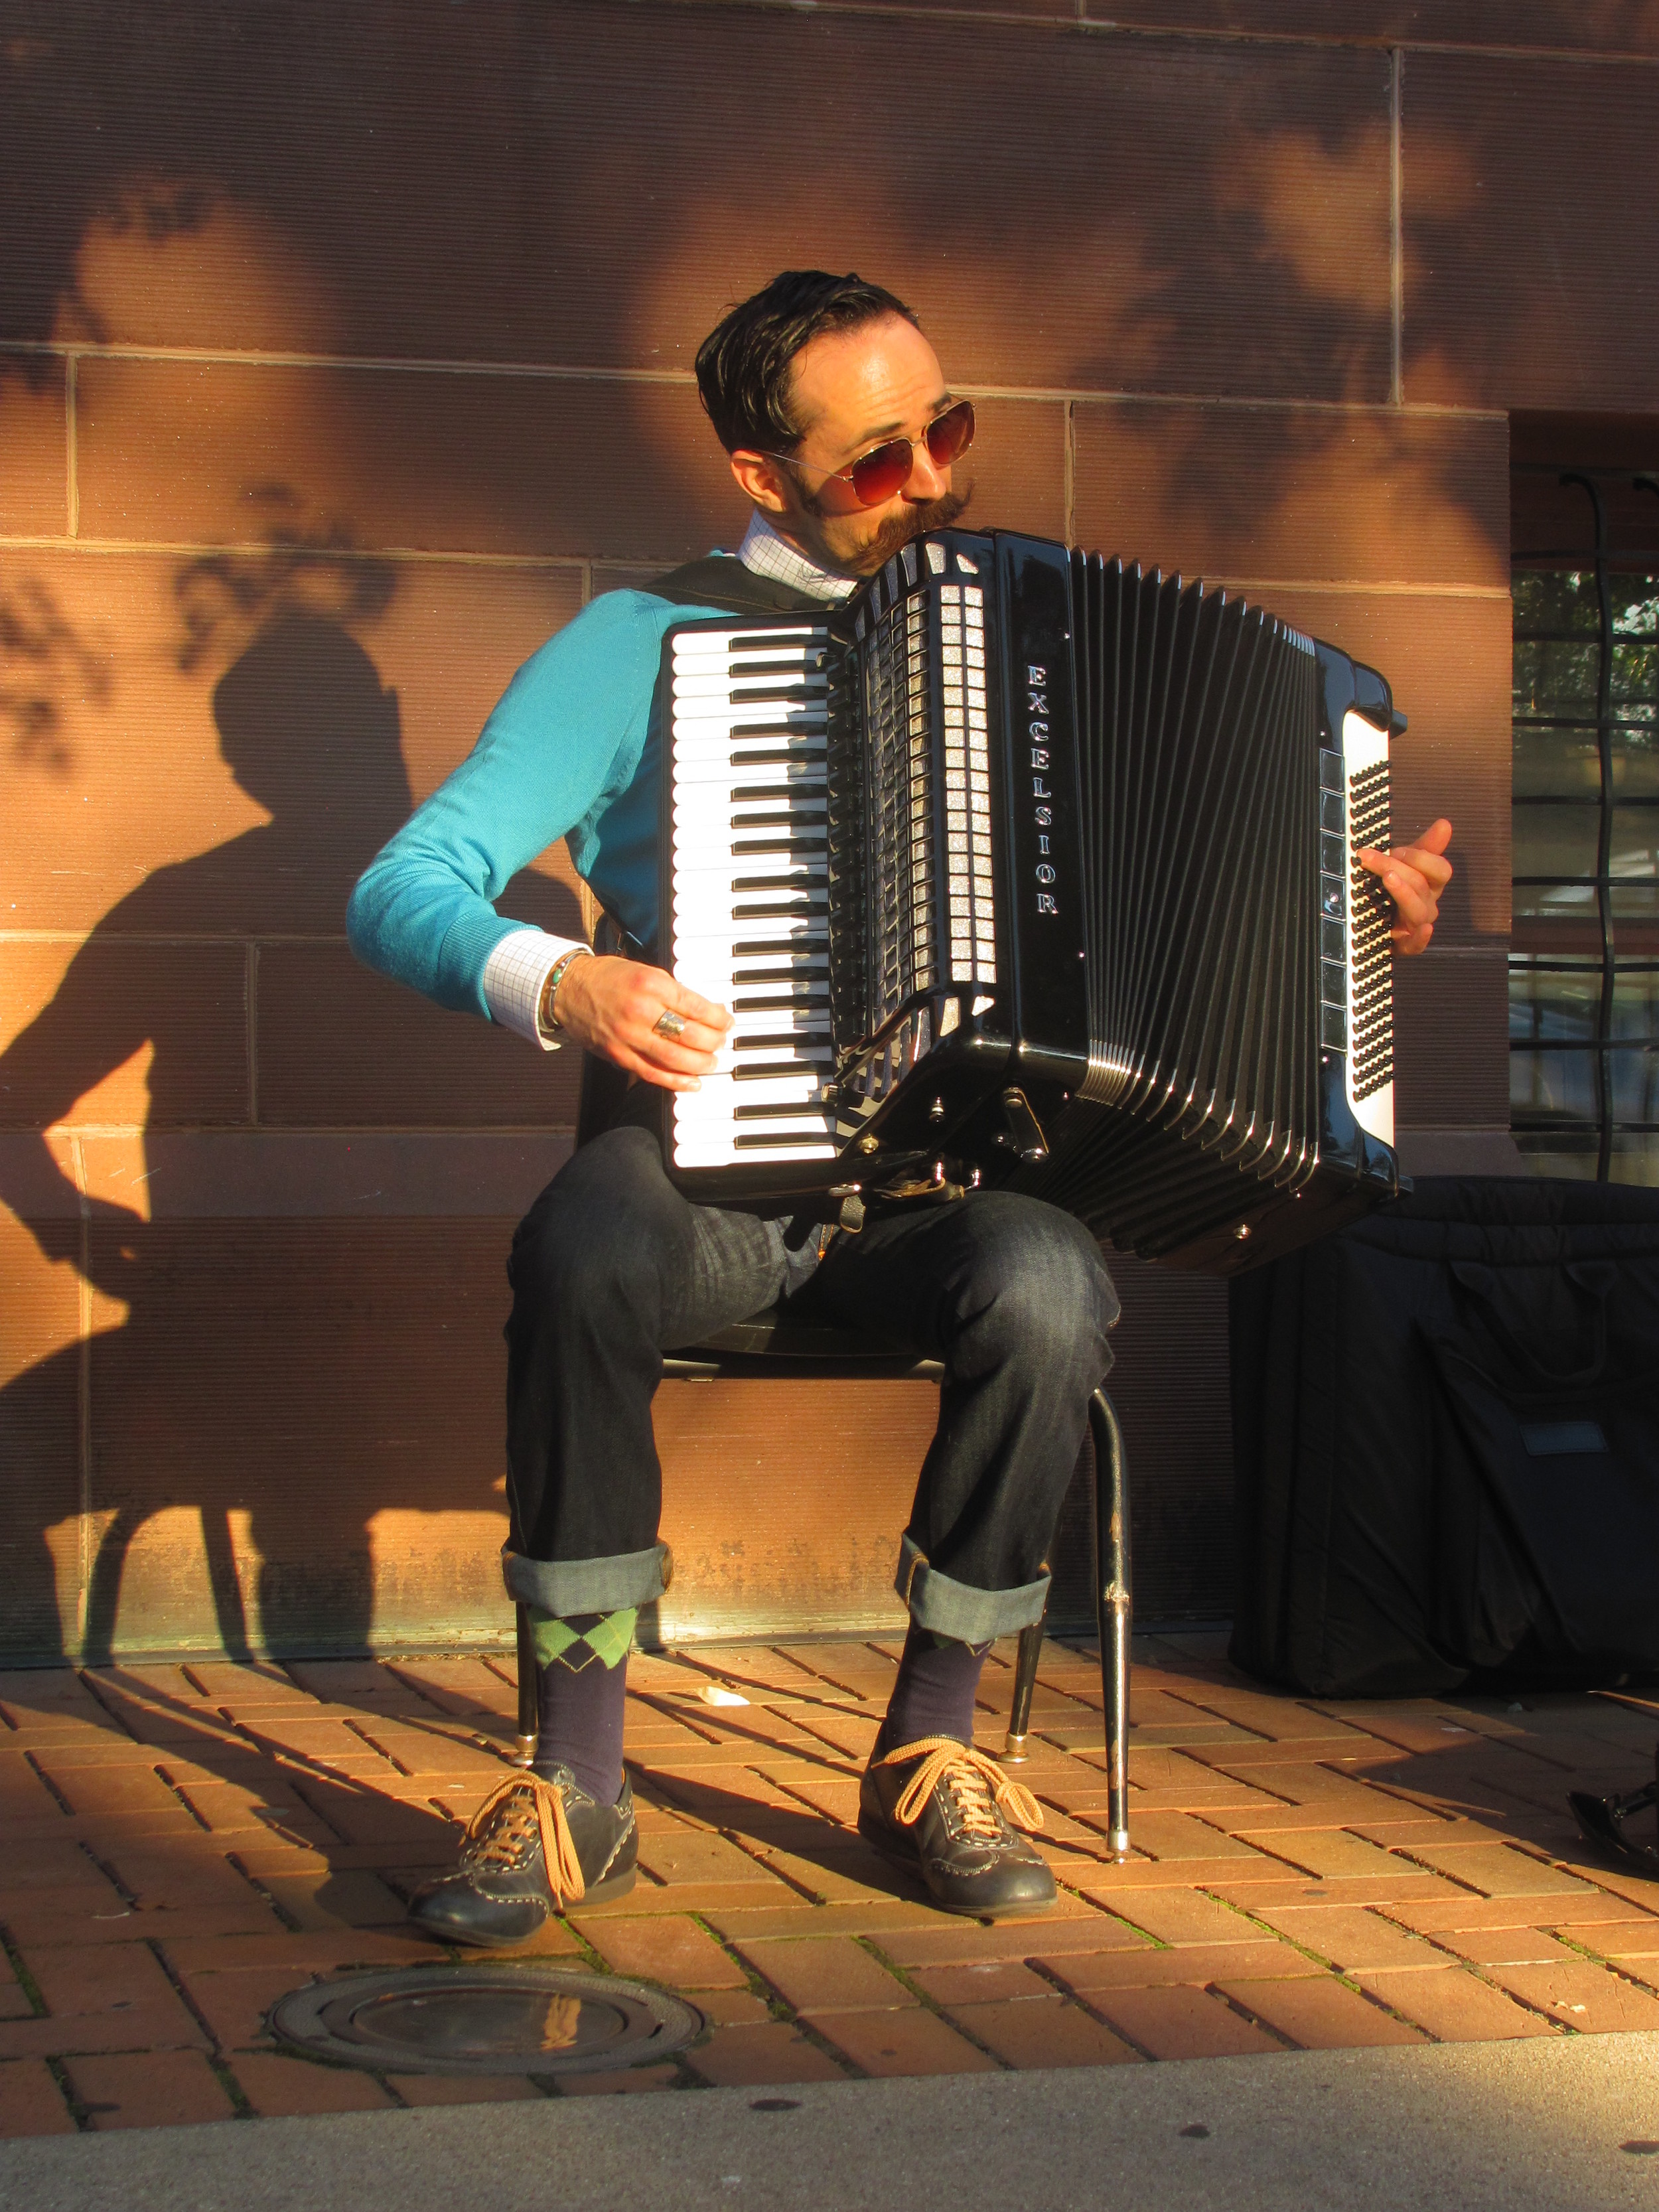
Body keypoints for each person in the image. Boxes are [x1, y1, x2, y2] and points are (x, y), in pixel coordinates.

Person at [348, 269, 1454, 1943]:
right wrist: (560, 981)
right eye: (875, 458)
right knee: (582, 1239)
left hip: (935, 1204)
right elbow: (402, 882)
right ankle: (574, 1765)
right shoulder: (642, 642)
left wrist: (1340, 908)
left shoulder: (1041, 640)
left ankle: (930, 1743)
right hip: (710, 1196)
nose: (931, 480)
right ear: (757, 472)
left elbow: (1173, 894)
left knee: (1048, 1275)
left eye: (945, 429)